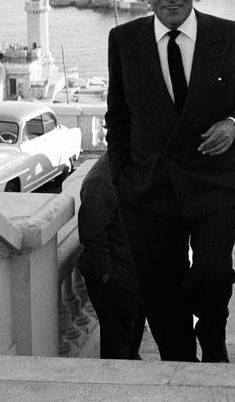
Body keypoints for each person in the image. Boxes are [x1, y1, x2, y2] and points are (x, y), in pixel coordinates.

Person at [105, 0, 235, 363]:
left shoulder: (230, 35)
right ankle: (179, 367)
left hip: (214, 184)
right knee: (160, 293)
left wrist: (233, 126)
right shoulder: (124, 40)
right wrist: (123, 179)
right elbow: (118, 116)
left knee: (212, 277)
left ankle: (213, 335)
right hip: (148, 192)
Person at [77, 152, 146, 360]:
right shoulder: (102, 179)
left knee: (131, 343)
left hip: (132, 276)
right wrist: (108, 274)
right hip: (116, 280)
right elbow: (91, 234)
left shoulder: (126, 167)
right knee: (117, 349)